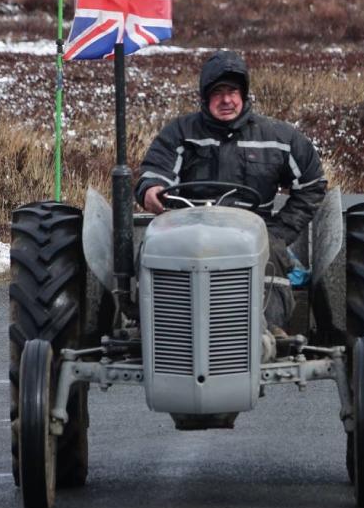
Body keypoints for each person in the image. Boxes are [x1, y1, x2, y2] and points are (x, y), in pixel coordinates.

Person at [134, 50, 327, 357]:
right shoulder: (180, 133)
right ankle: (154, 326)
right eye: (218, 93)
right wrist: (151, 189)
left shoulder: (279, 138)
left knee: (273, 251)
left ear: (244, 94)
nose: (227, 100)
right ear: (205, 97)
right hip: (187, 229)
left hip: (253, 231)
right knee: (151, 250)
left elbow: (313, 185)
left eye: (233, 92)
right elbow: (156, 169)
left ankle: (270, 327)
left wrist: (280, 230)